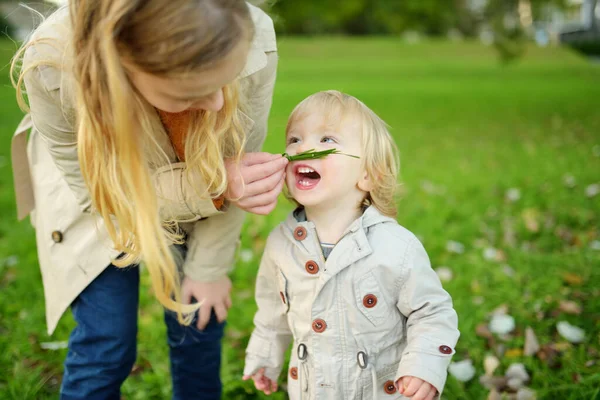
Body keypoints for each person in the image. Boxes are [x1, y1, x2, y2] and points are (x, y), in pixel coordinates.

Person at [10, 1, 286, 399]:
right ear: (125, 66)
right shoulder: (54, 66)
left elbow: (237, 164)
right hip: (98, 195)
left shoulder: (248, 36)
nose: (217, 105)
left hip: (199, 180)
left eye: (222, 83)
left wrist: (209, 268)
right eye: (191, 92)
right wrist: (215, 185)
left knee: (198, 324)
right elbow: (99, 197)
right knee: (107, 343)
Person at [243, 91, 459, 400]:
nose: (305, 148)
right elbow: (272, 310)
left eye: (328, 140)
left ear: (368, 175)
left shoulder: (395, 247)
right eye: (294, 140)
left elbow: (432, 312)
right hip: (311, 389)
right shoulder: (281, 244)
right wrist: (264, 357)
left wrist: (424, 366)